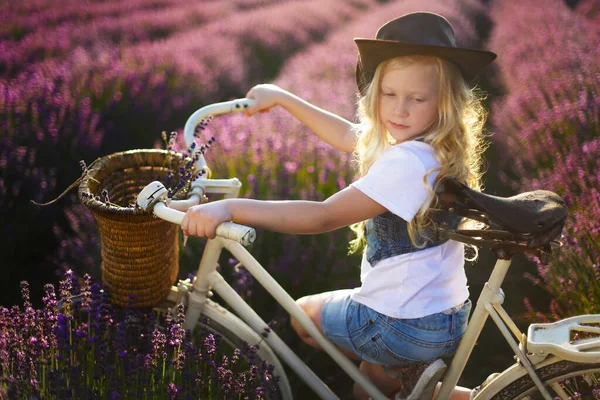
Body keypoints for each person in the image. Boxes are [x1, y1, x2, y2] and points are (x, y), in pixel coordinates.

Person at [182, 11, 496, 400]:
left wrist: (229, 209)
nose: (399, 110)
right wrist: (283, 99)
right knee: (369, 381)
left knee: (303, 315)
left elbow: (323, 216)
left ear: (444, 103)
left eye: (417, 99)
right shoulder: (434, 148)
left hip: (397, 324)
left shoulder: (407, 162)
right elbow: (351, 136)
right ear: (375, 92)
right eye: (389, 94)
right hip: (444, 318)